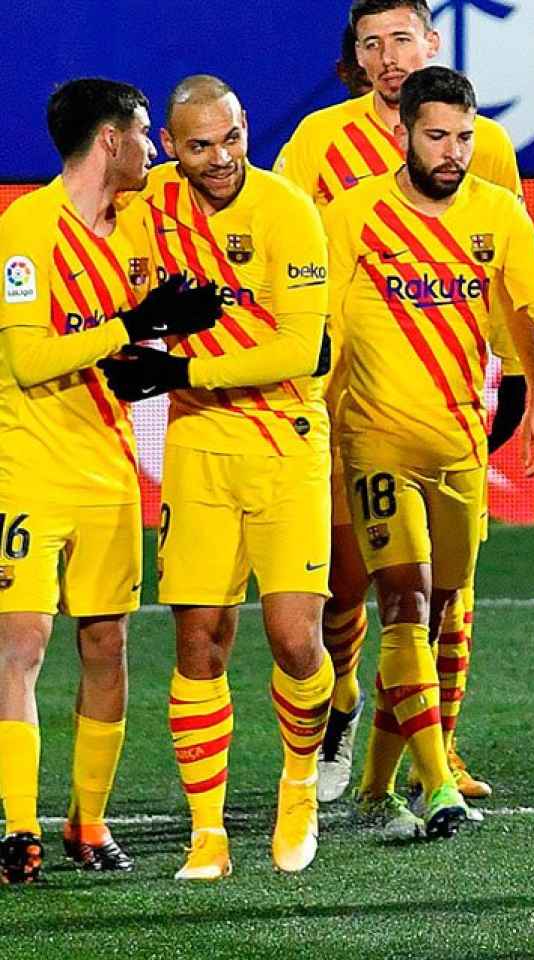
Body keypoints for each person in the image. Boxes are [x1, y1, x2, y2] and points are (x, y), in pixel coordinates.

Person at [322, 65, 534, 840]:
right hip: (375, 441)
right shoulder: (353, 215)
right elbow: (320, 332)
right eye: (437, 136)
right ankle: (437, 785)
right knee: (406, 602)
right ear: (404, 134)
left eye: (463, 137)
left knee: (443, 607)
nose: (452, 152)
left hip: (459, 446)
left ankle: (375, 789)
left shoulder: (499, 214)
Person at [274, 0, 534, 808]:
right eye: (372, 43)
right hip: (343, 402)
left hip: (452, 398)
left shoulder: (485, 144)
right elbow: (290, 252)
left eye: (403, 38)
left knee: (443, 590)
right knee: (345, 585)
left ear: (432, 42)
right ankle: (344, 702)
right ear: (354, 59)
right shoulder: (318, 143)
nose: (389, 55)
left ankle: (442, 749)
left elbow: (519, 278)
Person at [100, 75, 334, 880]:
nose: (223, 157)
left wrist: (178, 366)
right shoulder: (150, 204)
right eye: (201, 145)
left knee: (294, 638)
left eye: (232, 137)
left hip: (289, 444)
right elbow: (94, 241)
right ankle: (209, 834)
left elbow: (299, 349)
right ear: (171, 146)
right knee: (199, 640)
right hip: (198, 445)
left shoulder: (287, 211)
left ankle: (299, 783)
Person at [0, 78, 219, 883]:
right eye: (142, 135)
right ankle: (16, 826)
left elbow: (116, 354)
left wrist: (163, 337)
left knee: (107, 644)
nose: (155, 151)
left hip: (110, 468)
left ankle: (86, 823)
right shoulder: (24, 231)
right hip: (26, 469)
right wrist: (135, 323)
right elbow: (29, 360)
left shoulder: (138, 230)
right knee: (20, 642)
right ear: (109, 141)